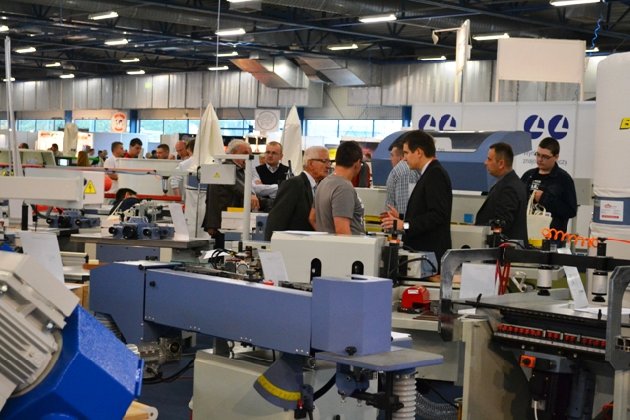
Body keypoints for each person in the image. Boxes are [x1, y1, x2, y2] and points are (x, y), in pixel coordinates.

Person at [381, 130, 452, 269]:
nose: (404, 159)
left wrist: (404, 225)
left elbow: (437, 216)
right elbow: (425, 213)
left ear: (419, 152)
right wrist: (401, 217)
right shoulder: (428, 174)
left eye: (406, 153)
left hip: (429, 257)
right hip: (424, 256)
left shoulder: (435, 174)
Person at [264, 146, 331, 241]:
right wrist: (271, 246)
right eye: (324, 161)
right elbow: (276, 220)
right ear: (310, 163)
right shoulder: (293, 184)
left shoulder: (318, 187)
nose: (328, 166)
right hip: (291, 245)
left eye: (329, 162)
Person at [203, 139, 260, 248]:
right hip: (223, 223)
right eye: (245, 153)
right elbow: (239, 188)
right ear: (233, 153)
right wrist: (251, 195)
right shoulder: (226, 169)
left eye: (250, 154)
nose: (248, 157)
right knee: (223, 252)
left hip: (227, 221)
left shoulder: (237, 169)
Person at [521, 137, 577, 240]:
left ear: (556, 157)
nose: (540, 159)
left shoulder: (564, 179)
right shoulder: (528, 176)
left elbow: (571, 211)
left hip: (552, 238)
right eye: (538, 155)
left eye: (545, 157)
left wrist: (544, 199)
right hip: (527, 235)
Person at [475, 142, 528, 242]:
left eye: (489, 159)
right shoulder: (509, 183)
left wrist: (479, 229)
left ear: (501, 164)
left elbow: (502, 223)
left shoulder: (510, 188)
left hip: (505, 249)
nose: (485, 163)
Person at [310, 140, 364, 235]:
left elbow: (312, 218)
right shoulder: (343, 188)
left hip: (328, 243)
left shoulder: (323, 183)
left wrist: (326, 236)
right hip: (348, 244)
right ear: (357, 163)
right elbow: (342, 231)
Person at [385, 138, 420, 219]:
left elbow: (404, 210)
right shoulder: (404, 172)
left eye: (392, 155)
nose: (390, 159)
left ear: (401, 157)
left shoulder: (405, 173)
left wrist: (404, 225)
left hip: (399, 225)